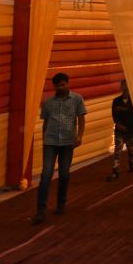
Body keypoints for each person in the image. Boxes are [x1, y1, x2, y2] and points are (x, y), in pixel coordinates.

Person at [33, 72, 86, 225]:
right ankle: (41, 210)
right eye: (58, 85)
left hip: (68, 142)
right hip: (50, 142)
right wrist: (44, 139)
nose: (61, 87)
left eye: (63, 84)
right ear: (54, 86)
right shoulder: (48, 103)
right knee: (46, 175)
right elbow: (45, 123)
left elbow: (81, 119)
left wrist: (80, 136)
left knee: (64, 174)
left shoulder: (77, 99)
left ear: (68, 84)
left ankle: (61, 204)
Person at [106, 79, 133, 181]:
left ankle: (132, 164)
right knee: (117, 150)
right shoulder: (116, 101)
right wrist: (118, 124)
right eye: (124, 86)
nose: (125, 88)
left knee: (131, 149)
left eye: (127, 86)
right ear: (121, 87)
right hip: (120, 131)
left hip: (131, 130)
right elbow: (114, 115)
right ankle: (115, 168)